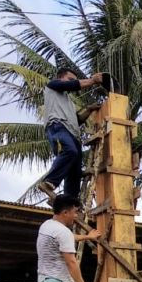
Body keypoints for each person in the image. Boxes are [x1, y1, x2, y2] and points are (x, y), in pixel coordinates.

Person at [37, 68, 103, 204]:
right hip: (57, 127)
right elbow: (71, 85)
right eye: (70, 79)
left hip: (73, 135)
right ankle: (49, 181)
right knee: (69, 151)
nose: (72, 82)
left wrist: (89, 109)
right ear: (60, 78)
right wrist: (92, 81)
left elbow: (77, 120)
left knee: (74, 174)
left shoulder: (69, 103)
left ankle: (69, 203)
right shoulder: (52, 86)